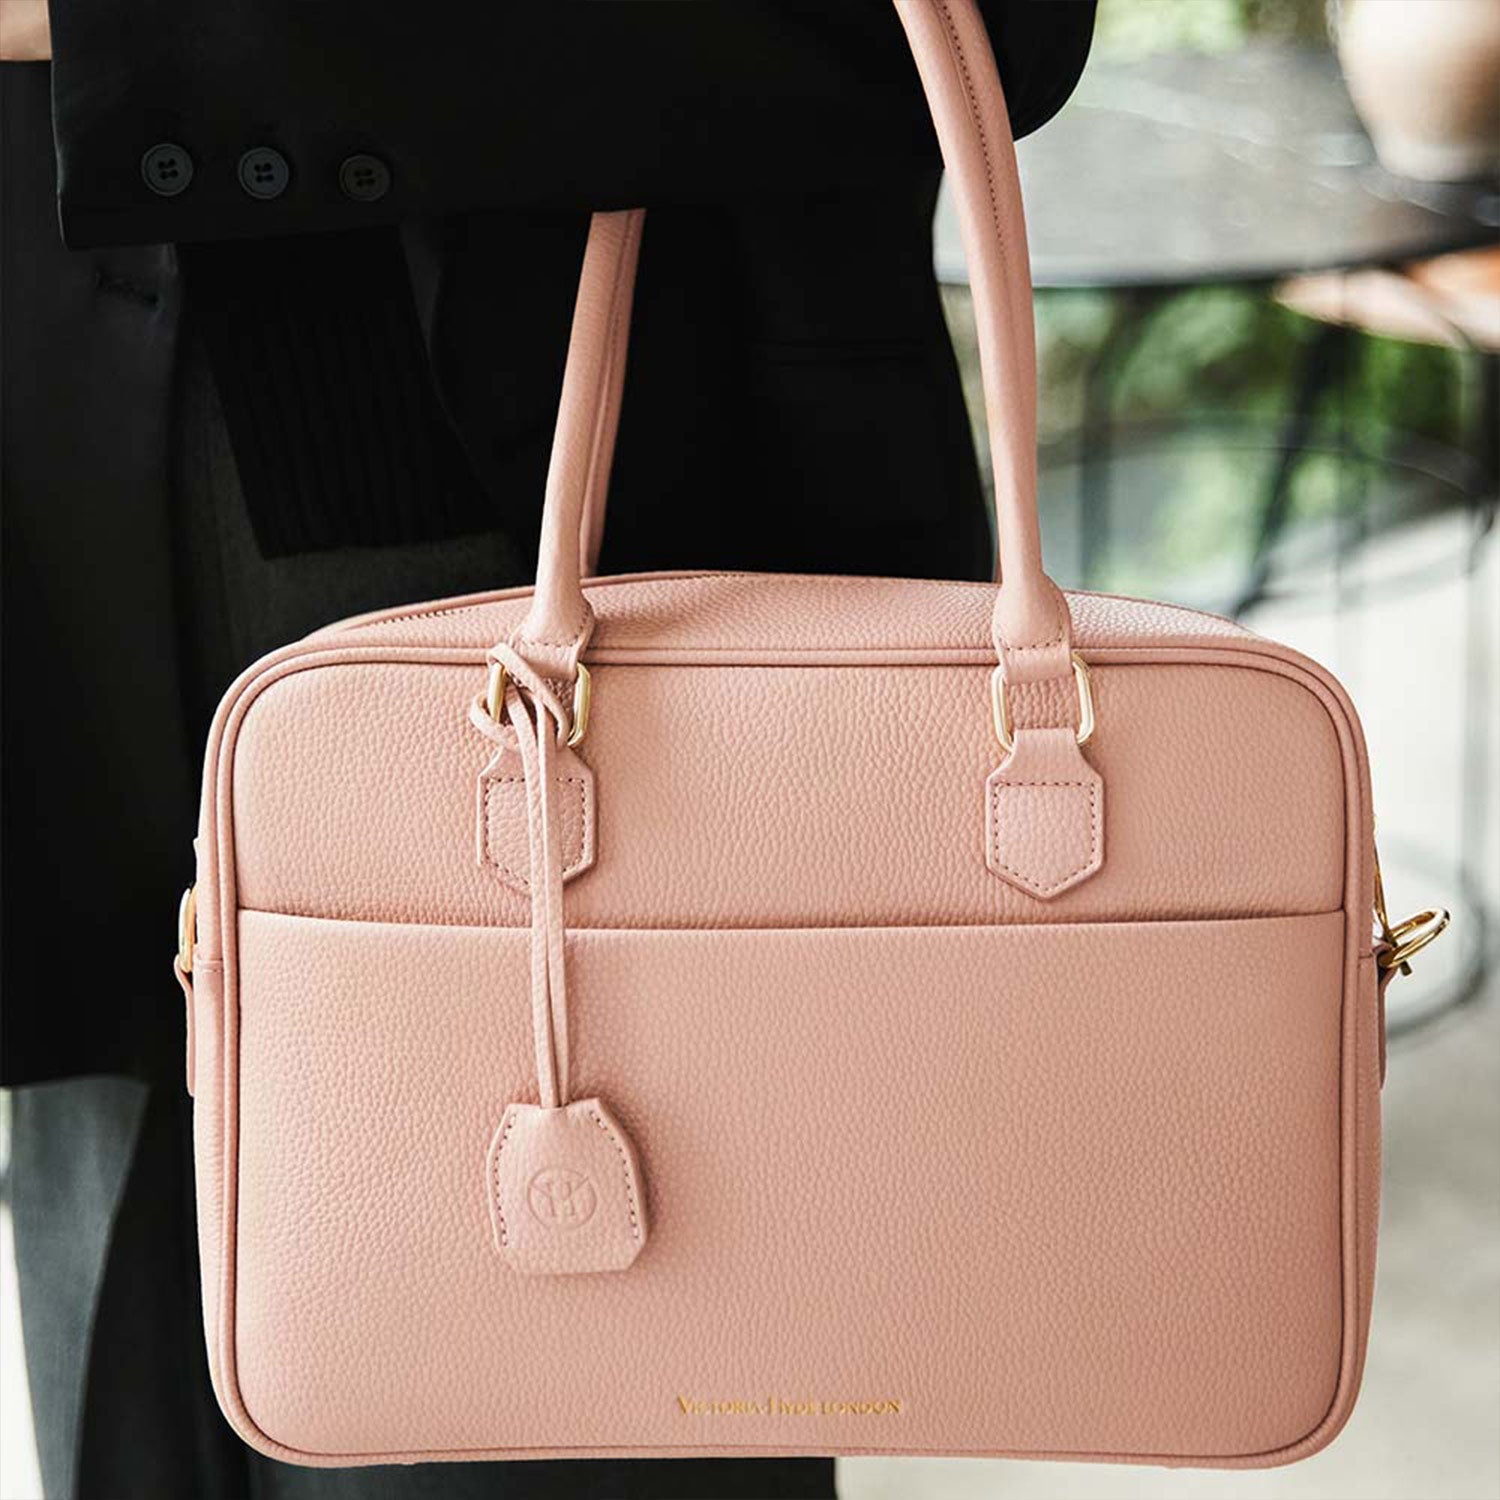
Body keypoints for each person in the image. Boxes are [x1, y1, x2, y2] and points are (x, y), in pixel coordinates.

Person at [1, 4, 1095, 1495]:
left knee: (577, 1352)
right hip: (67, 534)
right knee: (117, 1328)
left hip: (564, 540)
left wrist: (136, 28)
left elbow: (996, 29)